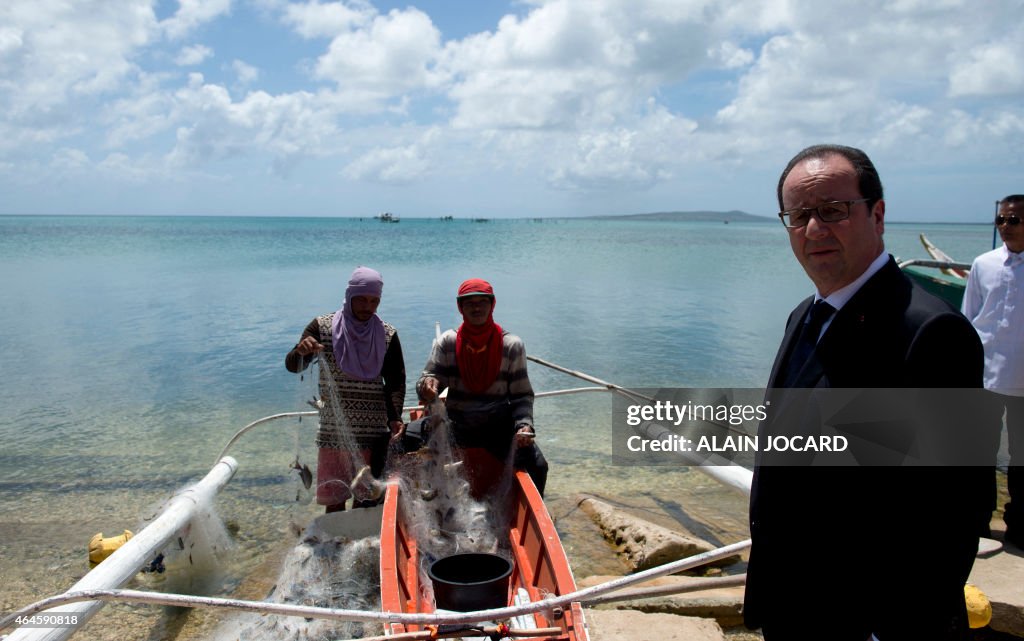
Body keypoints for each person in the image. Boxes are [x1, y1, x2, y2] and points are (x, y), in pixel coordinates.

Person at [745, 144, 990, 640]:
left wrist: (889, 629)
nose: (814, 230)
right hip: (792, 606)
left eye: (833, 211)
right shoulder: (803, 316)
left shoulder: (932, 332)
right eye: (798, 216)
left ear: (877, 214)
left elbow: (957, 507)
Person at [285, 266, 405, 512]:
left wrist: (395, 417)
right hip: (334, 432)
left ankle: (361, 548)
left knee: (366, 501)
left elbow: (395, 381)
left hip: (372, 430)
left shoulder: (387, 335)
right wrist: (301, 350)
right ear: (350, 296)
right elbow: (293, 366)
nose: (367, 306)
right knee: (334, 502)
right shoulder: (322, 328)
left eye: (374, 301)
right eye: (361, 299)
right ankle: (337, 545)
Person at [416, 278, 548, 498]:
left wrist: (524, 426)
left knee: (538, 466)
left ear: (492, 305)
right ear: (461, 307)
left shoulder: (511, 346)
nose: (476, 308)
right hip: (456, 425)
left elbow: (521, 395)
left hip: (496, 426)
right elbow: (428, 380)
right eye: (469, 303)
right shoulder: (447, 342)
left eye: (482, 302)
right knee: (402, 444)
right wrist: (428, 386)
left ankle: (527, 514)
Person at [962, 195, 1024, 548]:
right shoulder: (983, 264)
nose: (1004, 227)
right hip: (984, 376)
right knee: (977, 456)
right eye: (1000, 220)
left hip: (1023, 380)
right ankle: (978, 523)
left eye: (1012, 220)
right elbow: (968, 320)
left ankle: (1019, 527)